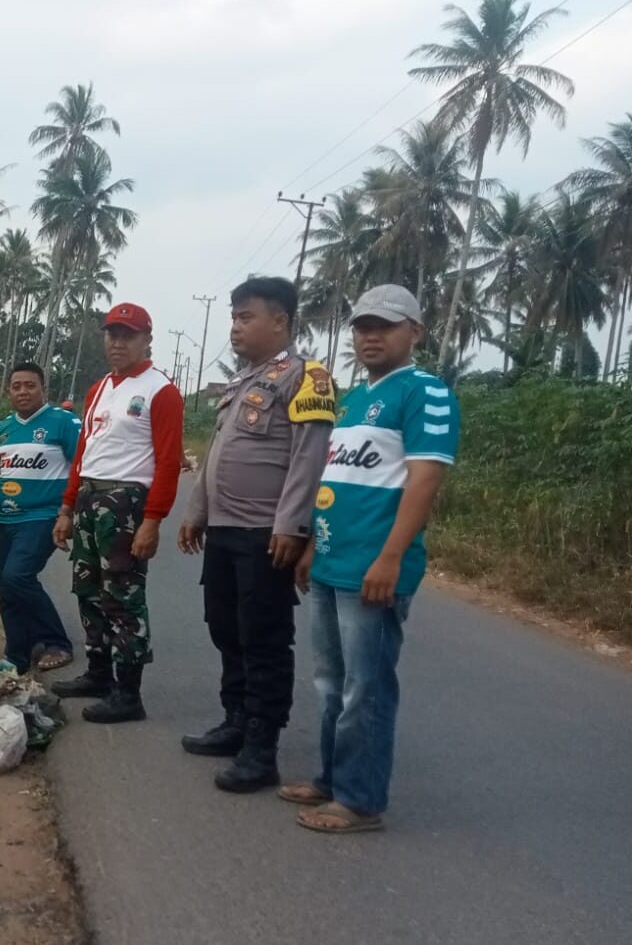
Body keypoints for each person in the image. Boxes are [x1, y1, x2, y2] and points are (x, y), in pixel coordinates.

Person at [284, 284, 459, 833]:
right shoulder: (355, 398)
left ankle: (360, 801)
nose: (370, 335)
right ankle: (333, 779)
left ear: (416, 331)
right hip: (333, 563)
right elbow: (335, 479)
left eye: (385, 325)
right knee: (330, 682)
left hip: (376, 570)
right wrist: (312, 544)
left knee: (368, 686)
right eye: (361, 326)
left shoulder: (424, 392)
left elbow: (425, 478)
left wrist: (390, 557)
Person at [178, 276, 337, 793]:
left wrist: (293, 525)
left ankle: (261, 745)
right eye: (234, 317)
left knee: (264, 638)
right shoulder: (240, 381)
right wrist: (196, 510)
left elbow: (309, 459)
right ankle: (234, 719)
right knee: (225, 627)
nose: (236, 327)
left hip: (265, 532)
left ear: (281, 322)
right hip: (225, 530)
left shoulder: (306, 377)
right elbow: (218, 453)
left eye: (246, 317)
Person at [52, 303, 184, 723]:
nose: (118, 342)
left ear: (147, 340)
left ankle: (129, 692)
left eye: (128, 335)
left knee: (123, 598)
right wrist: (67, 507)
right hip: (91, 498)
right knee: (88, 591)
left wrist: (153, 520)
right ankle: (97, 672)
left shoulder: (160, 390)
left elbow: (168, 461)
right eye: (112, 334)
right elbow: (84, 453)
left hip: (126, 504)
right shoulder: (99, 389)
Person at [0, 362, 79, 673]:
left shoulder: (64, 423)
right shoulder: (2, 431)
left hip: (44, 516)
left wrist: (68, 512)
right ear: (8, 391)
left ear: (43, 388)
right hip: (7, 519)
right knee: (7, 588)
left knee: (17, 577)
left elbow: (81, 469)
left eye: (30, 385)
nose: (23, 391)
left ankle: (57, 641)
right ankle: (17, 655)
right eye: (16, 386)